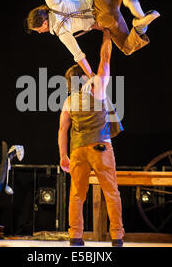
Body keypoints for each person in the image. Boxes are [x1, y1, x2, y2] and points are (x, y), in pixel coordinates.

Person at [13, 0, 160, 79]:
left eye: (38, 29)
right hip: (102, 0)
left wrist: (92, 77)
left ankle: (140, 28)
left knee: (127, 48)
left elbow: (79, 56)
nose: (39, 32)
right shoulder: (54, 4)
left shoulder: (62, 33)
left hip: (103, 19)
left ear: (44, 23)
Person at [58, 28, 125, 246]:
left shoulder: (68, 101)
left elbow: (62, 130)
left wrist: (63, 156)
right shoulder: (98, 88)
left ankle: (75, 237)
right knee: (111, 193)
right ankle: (117, 237)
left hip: (78, 150)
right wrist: (107, 35)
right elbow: (105, 59)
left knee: (77, 195)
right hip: (101, 147)